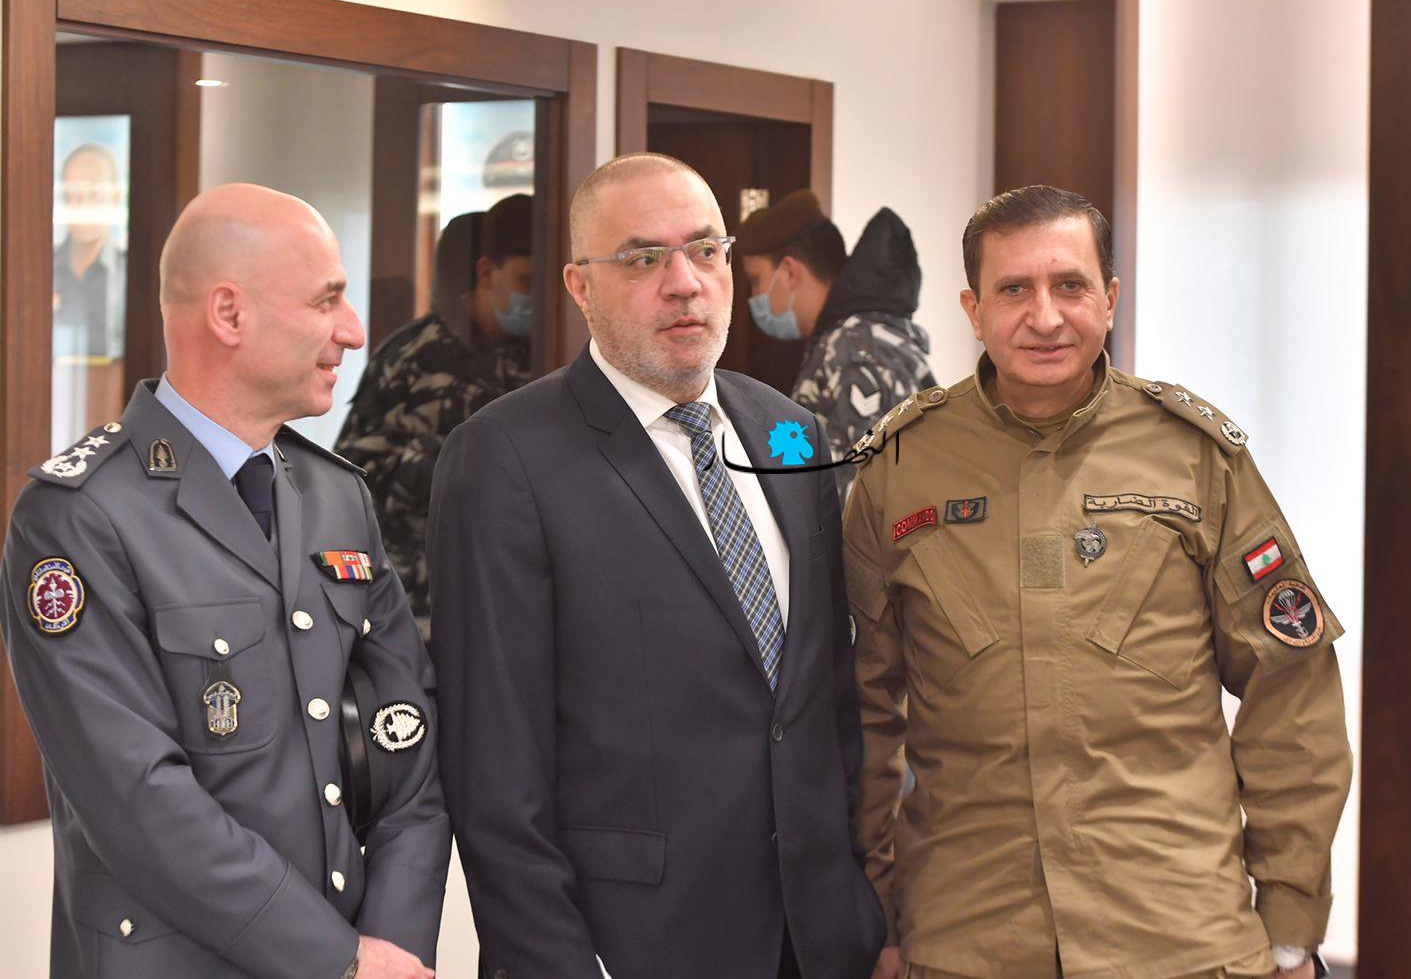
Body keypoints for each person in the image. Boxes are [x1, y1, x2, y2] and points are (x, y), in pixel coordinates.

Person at [843, 186, 1351, 979]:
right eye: (1015, 289)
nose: (1045, 317)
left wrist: (1290, 920)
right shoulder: (900, 469)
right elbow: (862, 711)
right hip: (968, 938)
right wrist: (871, 913)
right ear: (974, 309)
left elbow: (1291, 687)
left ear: (1109, 299)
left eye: (1070, 285)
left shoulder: (1195, 457)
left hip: (1177, 937)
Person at [428, 153, 885, 979]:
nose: (685, 283)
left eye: (707, 251)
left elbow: (826, 693)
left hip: (819, 937)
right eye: (644, 259)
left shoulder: (790, 433)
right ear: (579, 286)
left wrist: (866, 905)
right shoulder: (505, 458)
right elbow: (494, 766)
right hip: (635, 942)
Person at [1, 183, 450, 979]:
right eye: (326, 300)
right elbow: (138, 799)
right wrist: (338, 960)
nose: (353, 330)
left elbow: (406, 738)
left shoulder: (336, 495)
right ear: (229, 315)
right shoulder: (80, 516)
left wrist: (396, 946)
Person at [335, 195, 536, 629]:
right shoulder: (412, 358)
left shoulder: (549, 350)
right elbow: (352, 480)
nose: (537, 296)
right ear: (487, 273)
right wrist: (443, 468)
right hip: (422, 600)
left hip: (515, 594)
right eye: (526, 280)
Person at [737, 190, 937, 494]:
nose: (754, 296)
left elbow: (864, 497)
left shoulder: (854, 349)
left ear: (789, 272)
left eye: (755, 280)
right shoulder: (846, 340)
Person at [53, 141, 127, 358]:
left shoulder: (131, 274)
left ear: (115, 197)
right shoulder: (40, 271)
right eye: (74, 194)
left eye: (94, 194)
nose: (83, 206)